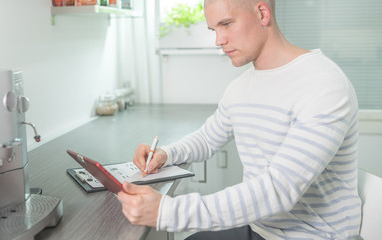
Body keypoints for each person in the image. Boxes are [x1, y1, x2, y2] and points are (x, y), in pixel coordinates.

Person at [117, 0, 362, 239]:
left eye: (226, 24)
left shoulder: (324, 85)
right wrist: (166, 154)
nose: (218, 40)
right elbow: (206, 139)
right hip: (259, 229)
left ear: (262, 13)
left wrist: (167, 211)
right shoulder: (240, 88)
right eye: (214, 29)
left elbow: (279, 189)